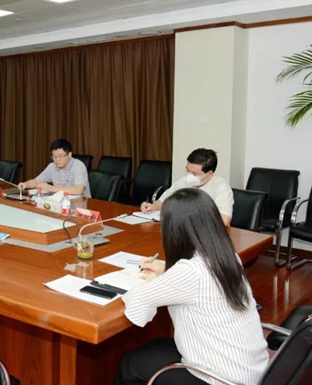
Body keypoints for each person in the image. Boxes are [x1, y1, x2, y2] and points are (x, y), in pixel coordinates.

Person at [116, 188, 268, 385]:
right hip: (251, 369)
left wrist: (156, 281)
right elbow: (199, 282)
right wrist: (166, 271)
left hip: (220, 379)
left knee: (130, 364)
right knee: (155, 346)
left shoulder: (190, 272)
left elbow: (137, 302)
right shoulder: (228, 257)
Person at [140, 148, 234, 226]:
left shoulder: (220, 186)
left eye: (194, 174)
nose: (189, 176)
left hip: (210, 236)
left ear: (209, 174)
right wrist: (152, 206)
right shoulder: (184, 181)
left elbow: (224, 220)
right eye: (187, 170)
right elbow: (163, 201)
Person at [19, 139, 90, 197]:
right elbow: (37, 181)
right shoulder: (52, 166)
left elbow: (78, 190)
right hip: (59, 201)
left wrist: (50, 188)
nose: (57, 159)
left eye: (60, 156)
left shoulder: (78, 166)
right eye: (54, 156)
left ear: (69, 155)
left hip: (80, 203)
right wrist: (26, 184)